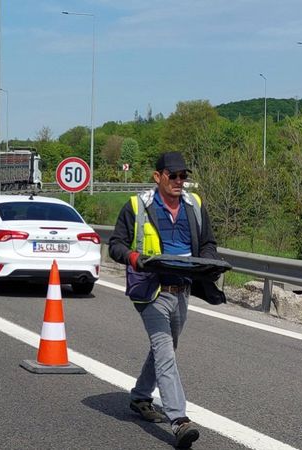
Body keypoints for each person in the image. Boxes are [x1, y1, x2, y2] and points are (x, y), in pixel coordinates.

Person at [108, 151, 219, 449]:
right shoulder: (137, 206)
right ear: (158, 177)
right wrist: (133, 257)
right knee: (165, 351)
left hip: (182, 289)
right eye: (174, 175)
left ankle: (141, 397)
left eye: (184, 175)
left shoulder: (194, 205)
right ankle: (179, 421)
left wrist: (207, 262)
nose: (180, 181)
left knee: (166, 347)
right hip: (151, 290)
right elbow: (115, 244)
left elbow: (208, 243)